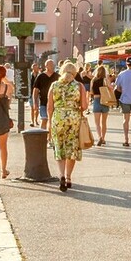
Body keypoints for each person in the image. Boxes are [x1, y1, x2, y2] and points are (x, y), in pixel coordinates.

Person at [48, 60, 89, 192]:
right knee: (72, 147)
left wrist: (49, 121)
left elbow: (50, 107)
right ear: (75, 72)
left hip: (58, 118)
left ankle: (61, 175)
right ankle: (68, 176)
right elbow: (84, 106)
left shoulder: (54, 85)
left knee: (59, 146)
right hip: (74, 118)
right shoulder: (79, 86)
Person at [89, 64, 113, 145]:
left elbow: (91, 92)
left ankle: (99, 137)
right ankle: (103, 138)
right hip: (105, 101)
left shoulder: (93, 80)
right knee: (104, 122)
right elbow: (110, 88)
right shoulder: (105, 80)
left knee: (97, 122)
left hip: (96, 100)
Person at [32, 59, 56, 127]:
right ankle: (42, 136)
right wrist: (35, 102)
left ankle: (51, 136)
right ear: (46, 66)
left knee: (53, 121)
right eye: (51, 65)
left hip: (55, 103)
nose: (52, 66)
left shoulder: (57, 76)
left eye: (53, 65)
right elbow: (35, 90)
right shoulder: (41, 76)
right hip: (43, 102)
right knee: (44, 119)